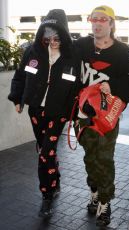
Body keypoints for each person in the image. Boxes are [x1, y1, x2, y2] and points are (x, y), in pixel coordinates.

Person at [8, 9, 81, 218]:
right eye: (48, 36)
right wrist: (17, 98)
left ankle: (47, 195)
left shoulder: (72, 55)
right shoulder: (32, 52)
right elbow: (20, 76)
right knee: (45, 151)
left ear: (64, 35)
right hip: (36, 112)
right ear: (43, 34)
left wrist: (73, 114)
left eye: (57, 36)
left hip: (58, 114)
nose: (53, 41)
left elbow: (77, 86)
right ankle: (54, 178)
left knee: (45, 153)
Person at [73, 5, 129, 227]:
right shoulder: (81, 45)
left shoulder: (122, 51)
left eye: (103, 19)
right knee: (89, 158)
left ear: (111, 24)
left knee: (105, 159)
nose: (98, 23)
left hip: (107, 118)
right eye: (94, 19)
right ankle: (93, 190)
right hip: (82, 116)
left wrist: (113, 85)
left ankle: (104, 201)